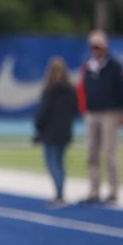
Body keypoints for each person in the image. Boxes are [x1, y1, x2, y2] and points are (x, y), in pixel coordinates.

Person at [77, 29, 123, 204]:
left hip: (110, 112)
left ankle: (113, 191)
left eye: (98, 47)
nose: (96, 50)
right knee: (92, 153)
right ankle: (94, 190)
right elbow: (83, 90)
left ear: (105, 47)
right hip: (92, 112)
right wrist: (84, 110)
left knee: (110, 152)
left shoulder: (115, 66)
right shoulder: (88, 66)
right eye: (93, 47)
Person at [33, 56, 79, 207]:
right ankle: (60, 192)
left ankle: (59, 195)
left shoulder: (50, 89)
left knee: (53, 164)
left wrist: (38, 128)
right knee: (60, 163)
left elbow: (43, 112)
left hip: (51, 133)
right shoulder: (71, 90)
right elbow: (75, 110)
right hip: (65, 132)